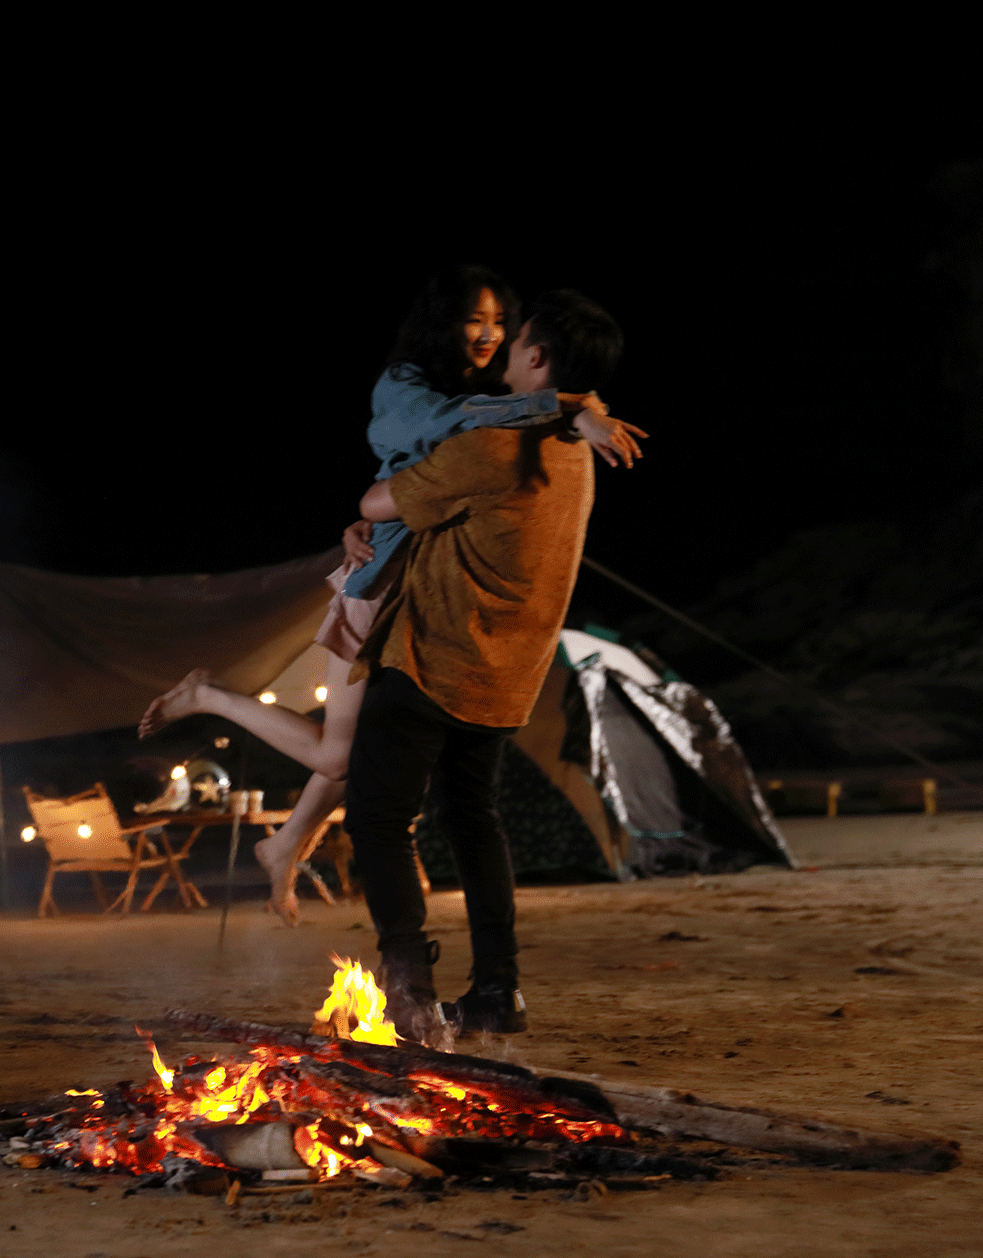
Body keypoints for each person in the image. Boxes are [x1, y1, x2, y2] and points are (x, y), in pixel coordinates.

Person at [139, 267, 644, 922]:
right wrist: (569, 408)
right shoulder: (407, 386)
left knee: (363, 752)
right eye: (475, 319)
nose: (491, 335)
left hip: (422, 592)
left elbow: (537, 402)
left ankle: (286, 844)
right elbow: (441, 433)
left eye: (501, 322)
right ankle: (209, 697)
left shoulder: (494, 395)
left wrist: (580, 409)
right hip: (378, 581)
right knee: (339, 754)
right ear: (443, 321)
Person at [346, 288, 625, 1043]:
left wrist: (365, 515)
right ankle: (498, 991)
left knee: (378, 818)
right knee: (474, 822)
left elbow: (378, 502)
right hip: (509, 676)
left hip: (433, 660)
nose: (499, 343)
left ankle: (408, 991)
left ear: (536, 356)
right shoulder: (576, 452)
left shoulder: (490, 449)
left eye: (513, 334)